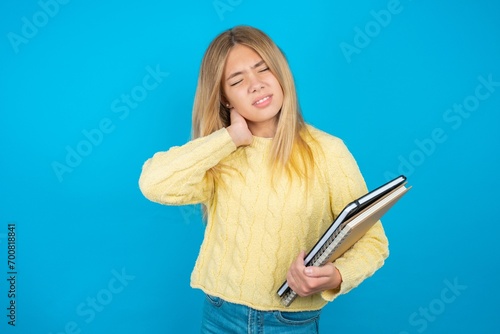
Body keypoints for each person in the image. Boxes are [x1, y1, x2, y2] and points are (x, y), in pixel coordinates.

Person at [139, 25, 389, 333]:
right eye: (237, 80)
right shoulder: (222, 155)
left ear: (280, 73)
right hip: (220, 316)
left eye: (263, 69)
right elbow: (154, 183)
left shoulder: (328, 152)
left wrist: (337, 274)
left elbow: (373, 242)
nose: (256, 85)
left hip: (291, 322)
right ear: (225, 99)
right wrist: (229, 137)